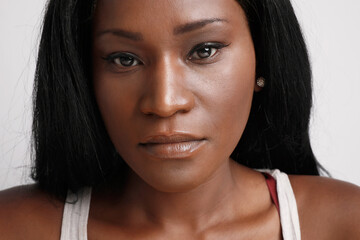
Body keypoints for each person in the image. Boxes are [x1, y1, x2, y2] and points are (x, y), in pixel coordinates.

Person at [0, 0, 359, 239]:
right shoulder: (14, 227)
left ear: (262, 58)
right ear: (82, 75)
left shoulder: (343, 223)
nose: (165, 102)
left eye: (204, 50)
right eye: (124, 59)